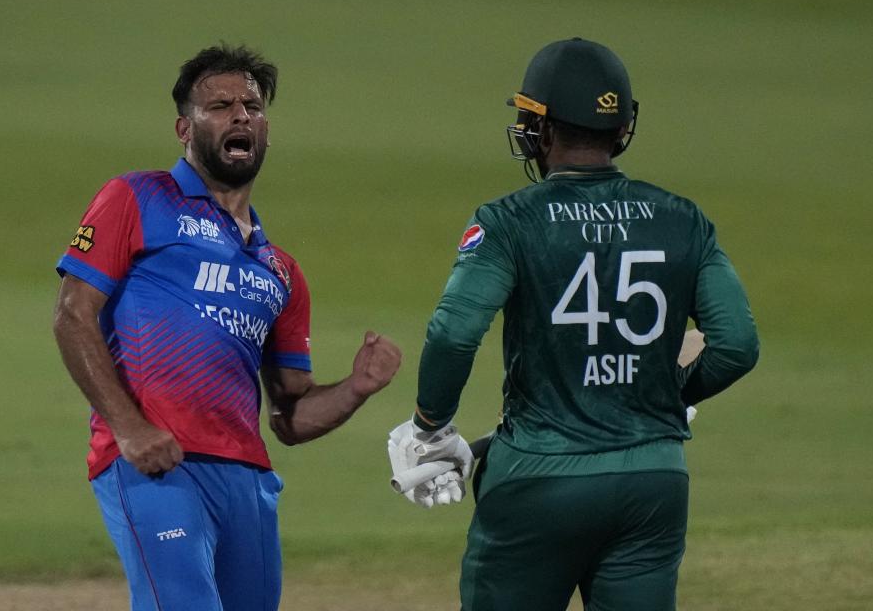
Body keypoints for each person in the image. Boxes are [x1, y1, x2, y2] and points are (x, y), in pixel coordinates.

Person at [387, 37, 759, 610]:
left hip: (538, 480)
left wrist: (429, 425)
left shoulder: (509, 222)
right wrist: (659, 395)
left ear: (544, 130)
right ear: (622, 128)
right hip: (653, 481)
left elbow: (454, 332)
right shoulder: (684, 219)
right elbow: (735, 345)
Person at [53, 44, 401, 611]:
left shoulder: (281, 270)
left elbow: (291, 415)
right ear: (183, 128)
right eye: (219, 106)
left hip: (246, 482)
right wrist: (130, 428)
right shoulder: (138, 198)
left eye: (252, 106)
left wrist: (356, 388)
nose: (241, 116)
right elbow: (72, 314)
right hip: (159, 467)